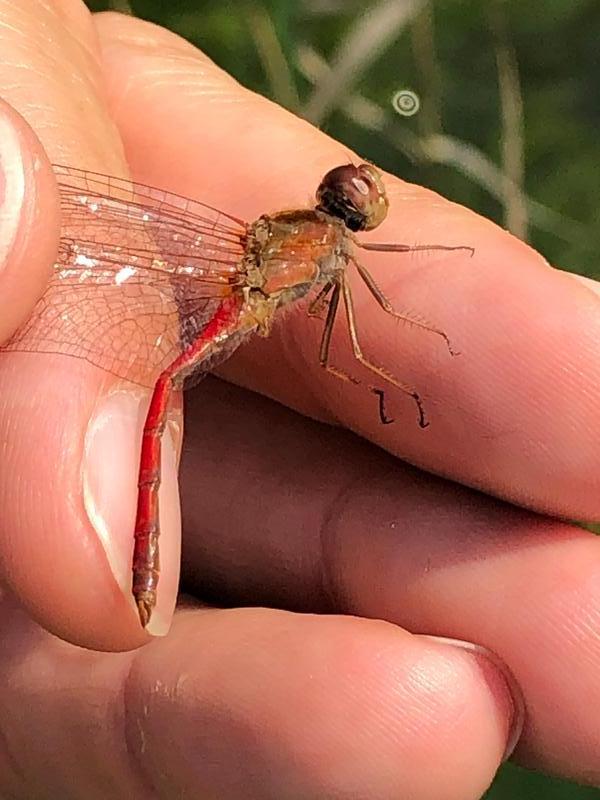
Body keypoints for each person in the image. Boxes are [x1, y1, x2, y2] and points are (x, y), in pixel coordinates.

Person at [0, 3, 598, 798]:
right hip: (181, 353)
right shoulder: (333, 256)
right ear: (351, 218)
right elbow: (354, 340)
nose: (365, 197)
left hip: (209, 316)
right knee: (338, 350)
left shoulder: (293, 235)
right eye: (360, 198)